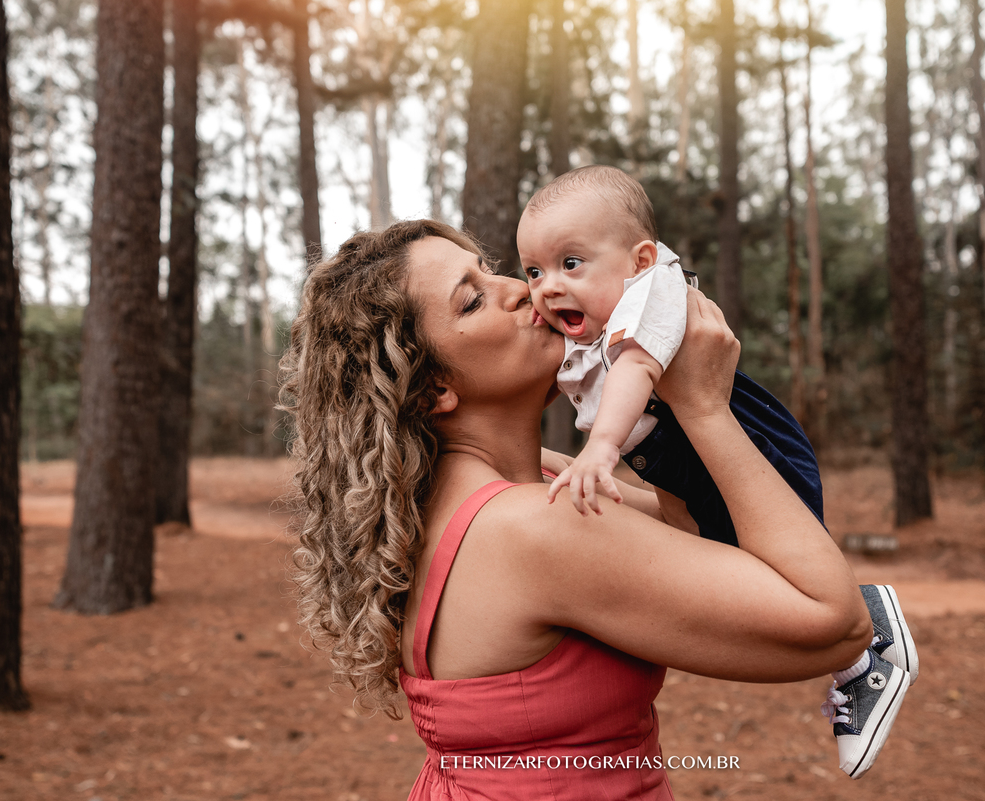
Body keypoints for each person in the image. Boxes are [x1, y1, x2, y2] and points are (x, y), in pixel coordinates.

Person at [278, 219, 889, 799]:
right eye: (472, 300)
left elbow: (706, 540)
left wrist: (648, 403)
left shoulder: (509, 484)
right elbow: (835, 622)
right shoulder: (534, 527)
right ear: (433, 386)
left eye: (492, 271)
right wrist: (703, 408)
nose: (521, 291)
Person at [515, 165, 917, 777]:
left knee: (770, 579)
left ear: (641, 258)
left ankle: (864, 650)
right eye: (534, 271)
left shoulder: (648, 297)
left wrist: (600, 449)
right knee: (710, 561)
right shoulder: (593, 322)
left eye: (571, 263)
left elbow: (635, 373)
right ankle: (861, 630)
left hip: (741, 439)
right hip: (680, 456)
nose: (546, 287)